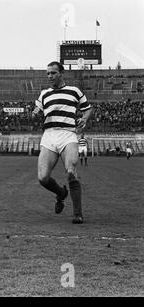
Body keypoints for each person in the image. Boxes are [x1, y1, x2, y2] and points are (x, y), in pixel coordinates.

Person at [33, 61, 93, 224]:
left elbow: (87, 109)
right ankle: (61, 193)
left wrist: (84, 119)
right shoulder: (44, 94)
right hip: (49, 135)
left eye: (53, 73)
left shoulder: (74, 91)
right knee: (42, 178)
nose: (49, 76)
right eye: (48, 74)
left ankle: (77, 214)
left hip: (68, 135)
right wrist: (34, 113)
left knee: (71, 171)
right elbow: (37, 110)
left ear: (61, 73)